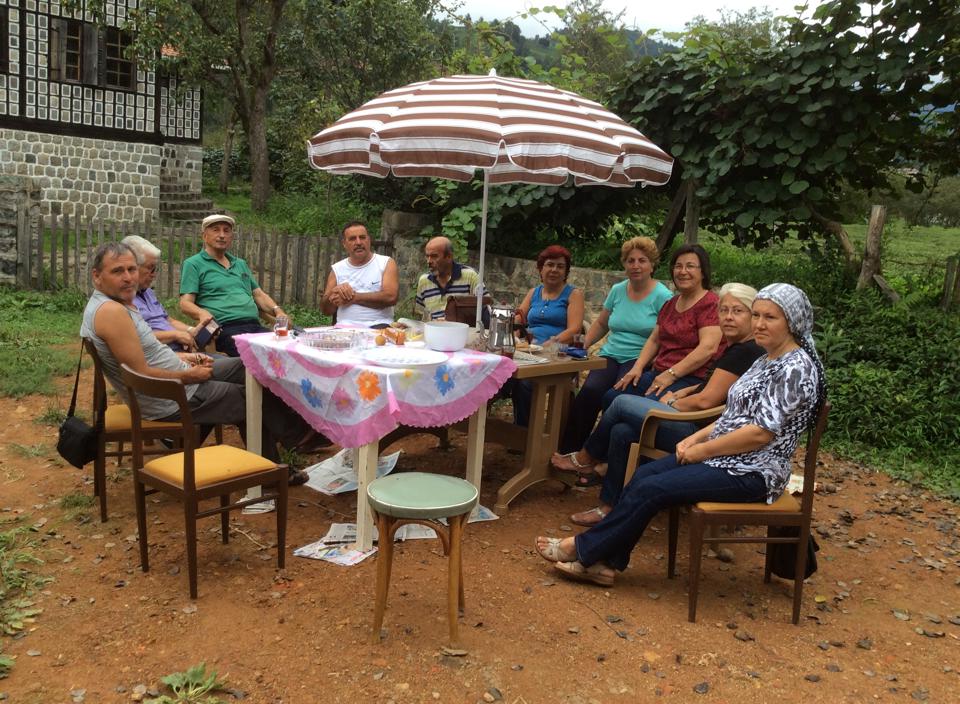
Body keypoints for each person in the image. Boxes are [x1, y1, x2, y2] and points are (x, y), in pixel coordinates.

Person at [534, 283, 826, 587]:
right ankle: (605, 563)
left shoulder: (795, 368)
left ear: (792, 322)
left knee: (652, 489)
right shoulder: (766, 358)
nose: (760, 324)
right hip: (727, 457)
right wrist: (696, 438)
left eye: (770, 317)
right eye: (757, 315)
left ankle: (582, 549)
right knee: (643, 476)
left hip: (754, 471)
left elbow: (760, 434)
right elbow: (732, 414)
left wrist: (703, 450)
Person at [83, 242, 324, 482]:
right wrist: (189, 376)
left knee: (249, 366)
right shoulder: (111, 312)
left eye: (132, 269)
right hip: (171, 397)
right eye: (118, 271)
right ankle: (284, 456)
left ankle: (294, 439)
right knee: (250, 396)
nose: (128, 278)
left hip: (179, 375)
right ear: (97, 276)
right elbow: (139, 373)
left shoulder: (117, 303)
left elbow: (147, 353)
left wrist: (186, 358)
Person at [552, 283, 764, 522]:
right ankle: (610, 507)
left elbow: (706, 401)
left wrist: (673, 403)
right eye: (724, 311)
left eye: (737, 311)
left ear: (752, 315)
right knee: (622, 431)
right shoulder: (739, 347)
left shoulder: (743, 352)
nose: (728, 317)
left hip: (700, 433)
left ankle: (585, 459)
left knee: (620, 403)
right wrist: (685, 392)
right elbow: (713, 386)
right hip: (699, 424)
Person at [558, 237, 673, 452]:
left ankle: (598, 456)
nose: (636, 266)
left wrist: (644, 364)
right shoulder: (618, 290)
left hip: (639, 359)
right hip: (611, 354)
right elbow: (602, 323)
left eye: (642, 260)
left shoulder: (663, 296)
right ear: (624, 264)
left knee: (614, 398)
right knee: (589, 392)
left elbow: (662, 337)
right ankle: (567, 451)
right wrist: (582, 345)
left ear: (652, 265)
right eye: (630, 261)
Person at [603, 243, 725, 408]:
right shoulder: (671, 303)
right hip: (658, 373)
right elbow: (654, 340)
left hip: (689, 378)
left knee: (632, 407)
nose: (683, 271)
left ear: (703, 272)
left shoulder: (710, 303)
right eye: (678, 266)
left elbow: (707, 348)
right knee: (611, 397)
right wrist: (637, 368)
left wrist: (671, 374)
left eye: (690, 266)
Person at [179, 214, 288, 358]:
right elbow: (185, 303)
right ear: (204, 236)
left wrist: (278, 311)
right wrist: (201, 313)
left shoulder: (240, 264)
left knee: (286, 351)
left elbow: (258, 295)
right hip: (225, 329)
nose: (222, 235)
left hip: (254, 326)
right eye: (216, 230)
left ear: (232, 237)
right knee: (263, 356)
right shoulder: (193, 264)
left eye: (226, 231)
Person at [511, 245, 585, 426]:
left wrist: (549, 343)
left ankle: (524, 431)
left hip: (557, 353)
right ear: (540, 268)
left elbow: (574, 330)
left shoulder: (573, 294)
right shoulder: (533, 293)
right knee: (502, 375)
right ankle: (499, 427)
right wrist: (514, 334)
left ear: (566, 271)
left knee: (525, 382)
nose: (554, 270)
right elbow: (518, 318)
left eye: (560, 266)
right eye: (550, 265)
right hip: (529, 352)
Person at [121, 235, 209, 351]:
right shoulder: (121, 300)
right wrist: (175, 335)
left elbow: (167, 320)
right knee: (230, 361)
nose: (154, 274)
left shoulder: (147, 292)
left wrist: (191, 330)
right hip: (162, 356)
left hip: (177, 352)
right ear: (133, 267)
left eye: (156, 269)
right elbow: (134, 339)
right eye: (151, 268)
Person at [322, 221, 398, 327]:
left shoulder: (386, 263)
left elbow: (390, 298)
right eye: (352, 239)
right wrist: (333, 294)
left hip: (379, 327)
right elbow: (326, 311)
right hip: (344, 329)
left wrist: (352, 298)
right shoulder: (337, 269)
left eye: (362, 237)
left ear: (369, 240)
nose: (358, 242)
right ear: (344, 244)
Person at [414, 236, 482, 321]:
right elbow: (421, 317)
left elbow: (484, 311)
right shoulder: (424, 281)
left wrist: (450, 322)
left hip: (462, 329)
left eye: (434, 256)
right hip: (432, 329)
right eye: (427, 256)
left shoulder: (470, 276)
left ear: (449, 257)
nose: (429, 261)